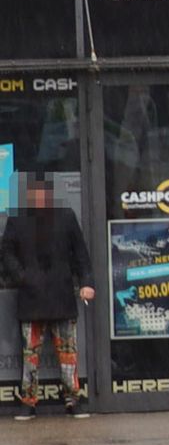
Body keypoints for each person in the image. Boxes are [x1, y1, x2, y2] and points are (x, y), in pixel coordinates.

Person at [1, 173, 92, 417]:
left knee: (68, 354)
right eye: (35, 193)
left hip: (60, 295)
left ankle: (72, 400)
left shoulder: (66, 217)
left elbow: (81, 254)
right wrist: (22, 277)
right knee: (31, 356)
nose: (39, 197)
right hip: (32, 298)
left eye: (43, 193)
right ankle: (28, 402)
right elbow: (6, 252)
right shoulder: (18, 220)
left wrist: (86, 282)